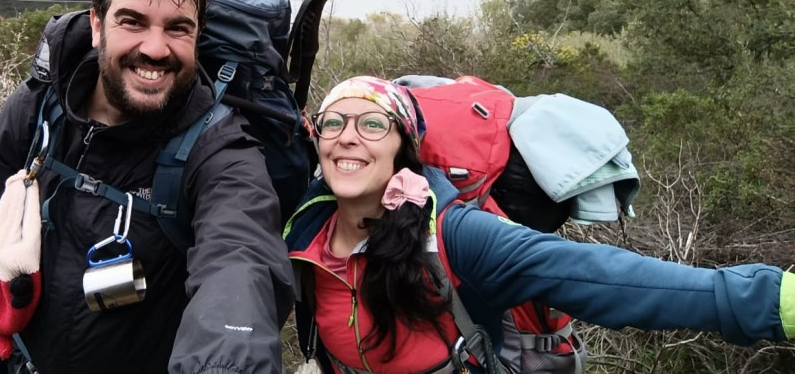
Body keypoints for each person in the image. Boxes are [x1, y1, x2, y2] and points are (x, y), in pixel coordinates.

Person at [284, 75, 795, 374]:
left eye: (372, 124)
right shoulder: (302, 230)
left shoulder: (454, 235)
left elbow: (601, 277)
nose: (348, 137)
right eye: (334, 123)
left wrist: (771, 301)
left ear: (403, 148)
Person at [0, 0, 294, 373]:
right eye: (132, 22)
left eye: (177, 28)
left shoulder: (219, 149)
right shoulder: (37, 110)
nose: (155, 48)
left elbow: (241, 258)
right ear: (97, 26)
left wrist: (227, 360)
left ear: (197, 36)